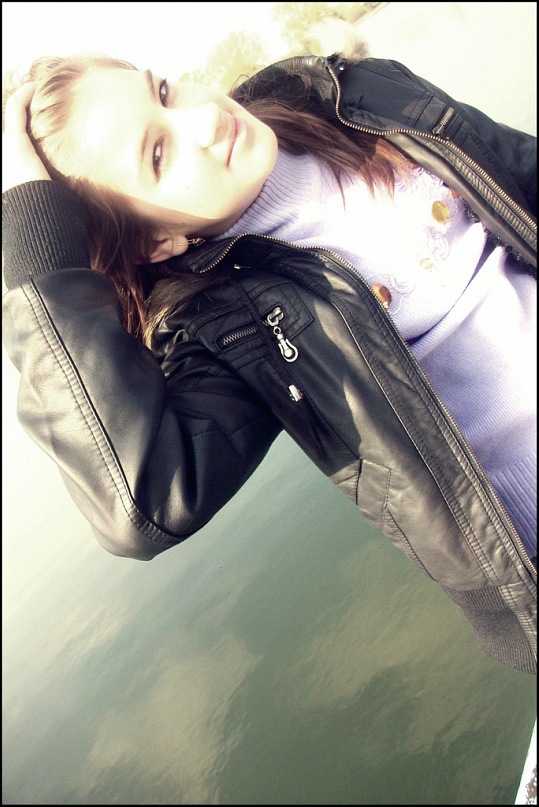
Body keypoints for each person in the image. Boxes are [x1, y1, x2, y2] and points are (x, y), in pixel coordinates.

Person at [2, 50, 536, 675]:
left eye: (164, 92)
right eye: (158, 154)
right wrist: (32, 241)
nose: (203, 119)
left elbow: (522, 172)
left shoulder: (346, 96)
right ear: (155, 242)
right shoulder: (226, 325)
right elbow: (140, 502)